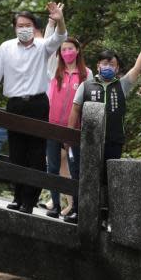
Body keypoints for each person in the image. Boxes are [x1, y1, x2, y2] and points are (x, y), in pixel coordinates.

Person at [0, 4, 67, 214]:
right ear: (15, 28)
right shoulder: (6, 47)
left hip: (37, 103)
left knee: (35, 154)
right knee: (17, 152)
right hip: (15, 104)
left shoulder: (43, 46)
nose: (24, 28)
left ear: (34, 28)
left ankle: (30, 201)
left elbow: (60, 37)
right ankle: (17, 196)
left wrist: (59, 19)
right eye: (20, 25)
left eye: (28, 25)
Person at [65, 31, 141, 223]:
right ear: (98, 65)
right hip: (88, 141)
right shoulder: (86, 86)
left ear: (117, 67)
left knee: (107, 179)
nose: (108, 66)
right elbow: (75, 110)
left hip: (113, 140)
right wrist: (69, 136)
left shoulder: (122, 85)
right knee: (85, 176)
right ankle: (79, 211)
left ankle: (102, 217)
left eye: (112, 64)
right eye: (104, 63)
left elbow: (137, 68)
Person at [45, 37, 91, 218]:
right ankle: (55, 205)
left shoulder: (86, 74)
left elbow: (88, 103)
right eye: (63, 50)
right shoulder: (56, 70)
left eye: (70, 49)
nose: (66, 53)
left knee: (74, 168)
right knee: (53, 167)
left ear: (78, 50)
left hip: (73, 129)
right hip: (52, 126)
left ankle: (75, 208)